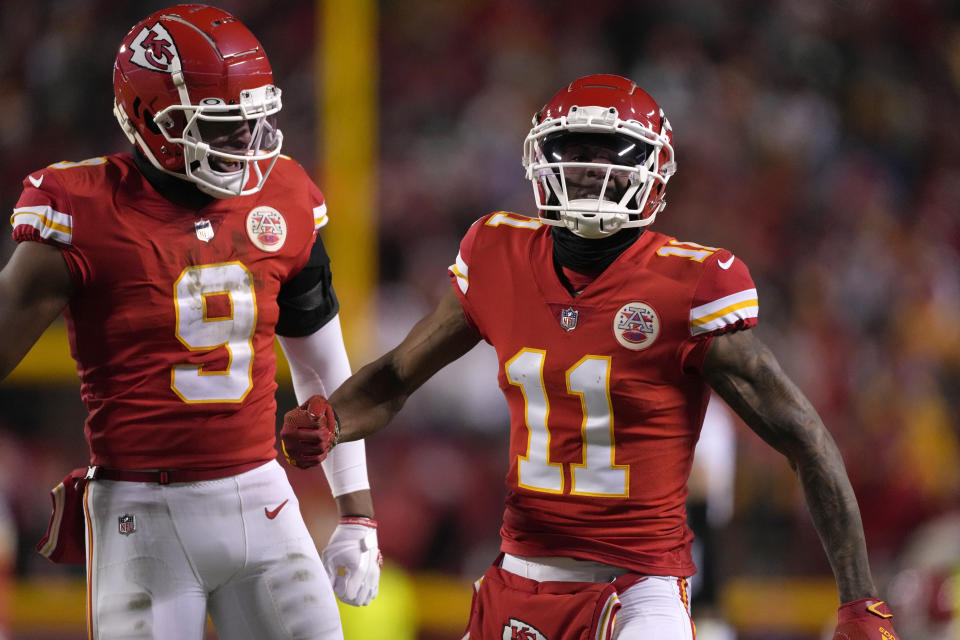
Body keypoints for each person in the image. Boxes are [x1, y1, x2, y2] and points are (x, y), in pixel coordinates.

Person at [280, 74, 901, 639]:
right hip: (517, 577)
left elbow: (803, 437)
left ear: (653, 168)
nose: (588, 169)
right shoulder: (498, 254)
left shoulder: (691, 285)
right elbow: (393, 379)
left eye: (610, 153)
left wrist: (859, 600)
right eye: (575, 151)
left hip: (638, 589)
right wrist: (332, 419)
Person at [1, 5, 380, 639]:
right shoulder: (81, 211)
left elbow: (322, 364)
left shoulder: (282, 195)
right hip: (139, 511)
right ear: (153, 120)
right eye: (221, 126)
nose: (245, 145)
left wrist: (357, 511)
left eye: (252, 123)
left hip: (263, 495)